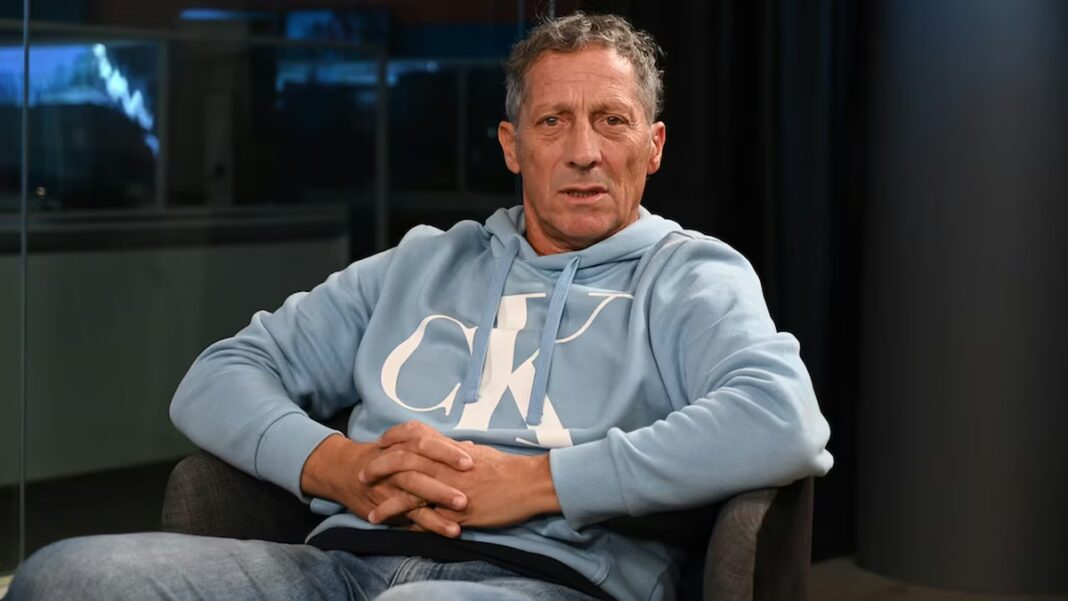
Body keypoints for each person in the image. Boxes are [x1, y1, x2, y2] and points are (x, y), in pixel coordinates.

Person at [5, 12, 832, 601]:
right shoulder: (423, 261)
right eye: (553, 121)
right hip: (335, 565)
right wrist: (338, 465)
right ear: (513, 146)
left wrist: (538, 482)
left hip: (547, 578)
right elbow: (218, 375)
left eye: (611, 120)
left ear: (652, 146)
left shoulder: (690, 275)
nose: (584, 151)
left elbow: (783, 417)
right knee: (63, 576)